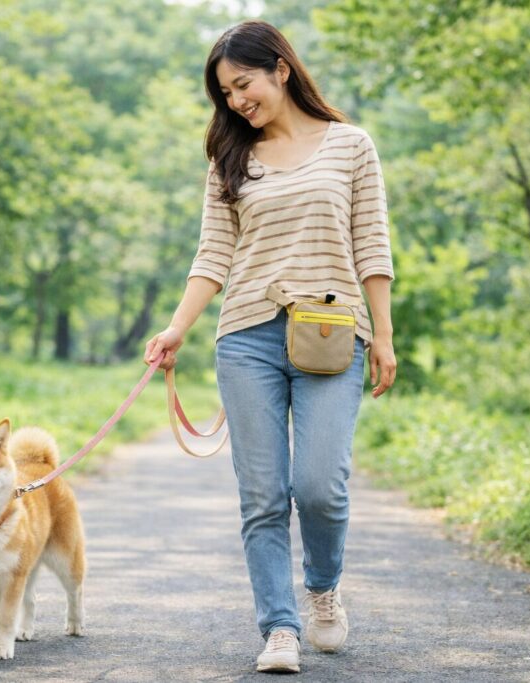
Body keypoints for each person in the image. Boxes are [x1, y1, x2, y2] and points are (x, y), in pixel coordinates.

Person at [144, 20, 397, 674]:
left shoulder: (350, 146)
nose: (235, 101)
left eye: (243, 84)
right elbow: (213, 253)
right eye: (225, 93)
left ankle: (322, 585)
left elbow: (372, 244)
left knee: (320, 486)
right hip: (246, 337)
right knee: (262, 494)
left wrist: (384, 335)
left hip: (330, 332)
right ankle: (279, 627)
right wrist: (176, 328)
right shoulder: (231, 158)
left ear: (281, 68)